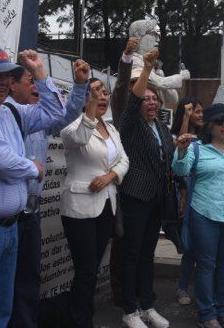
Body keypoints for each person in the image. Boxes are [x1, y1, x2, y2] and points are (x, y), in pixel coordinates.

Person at [0, 46, 89, 328]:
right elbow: (0, 163)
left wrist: (39, 73)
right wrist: (33, 168)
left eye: (8, 76)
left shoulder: (7, 113)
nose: (3, 81)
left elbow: (57, 114)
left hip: (8, 229)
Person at [6, 62, 87, 328]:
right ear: (11, 85)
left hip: (32, 212)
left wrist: (80, 85)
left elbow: (68, 114)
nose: (35, 86)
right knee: (2, 284)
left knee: (29, 278)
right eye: (30, 81)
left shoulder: (38, 120)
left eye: (36, 81)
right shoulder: (3, 116)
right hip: (7, 215)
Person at [173, 104, 224, 328]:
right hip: (204, 214)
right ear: (209, 125)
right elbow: (180, 171)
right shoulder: (196, 148)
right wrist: (181, 151)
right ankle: (207, 313)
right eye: (220, 121)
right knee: (206, 265)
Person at [61, 78, 130, 328]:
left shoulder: (112, 129)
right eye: (95, 92)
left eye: (104, 92)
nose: (102, 96)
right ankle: (80, 321)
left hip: (106, 205)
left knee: (91, 269)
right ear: (83, 98)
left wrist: (110, 176)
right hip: (79, 208)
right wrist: (88, 107)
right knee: (86, 271)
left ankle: (82, 318)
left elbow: (124, 160)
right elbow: (79, 139)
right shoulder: (73, 125)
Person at [118, 48, 174, 328]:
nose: (151, 103)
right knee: (131, 254)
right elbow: (133, 100)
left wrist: (181, 145)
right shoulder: (131, 124)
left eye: (155, 98)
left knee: (147, 254)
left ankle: (147, 305)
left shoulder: (161, 127)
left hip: (156, 201)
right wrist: (148, 70)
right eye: (146, 99)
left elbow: (166, 159)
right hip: (136, 197)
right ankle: (129, 310)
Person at [109, 37, 138, 306]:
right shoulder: (124, 111)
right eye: (134, 83)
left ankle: (136, 289)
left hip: (145, 192)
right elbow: (119, 88)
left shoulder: (149, 117)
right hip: (123, 187)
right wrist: (127, 57)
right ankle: (119, 291)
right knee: (122, 240)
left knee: (139, 244)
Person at [170, 97, 204, 307]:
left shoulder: (208, 136)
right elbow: (181, 148)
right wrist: (185, 117)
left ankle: (205, 292)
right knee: (189, 249)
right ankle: (182, 286)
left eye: (201, 111)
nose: (199, 115)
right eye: (195, 111)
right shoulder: (178, 136)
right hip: (185, 196)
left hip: (204, 198)